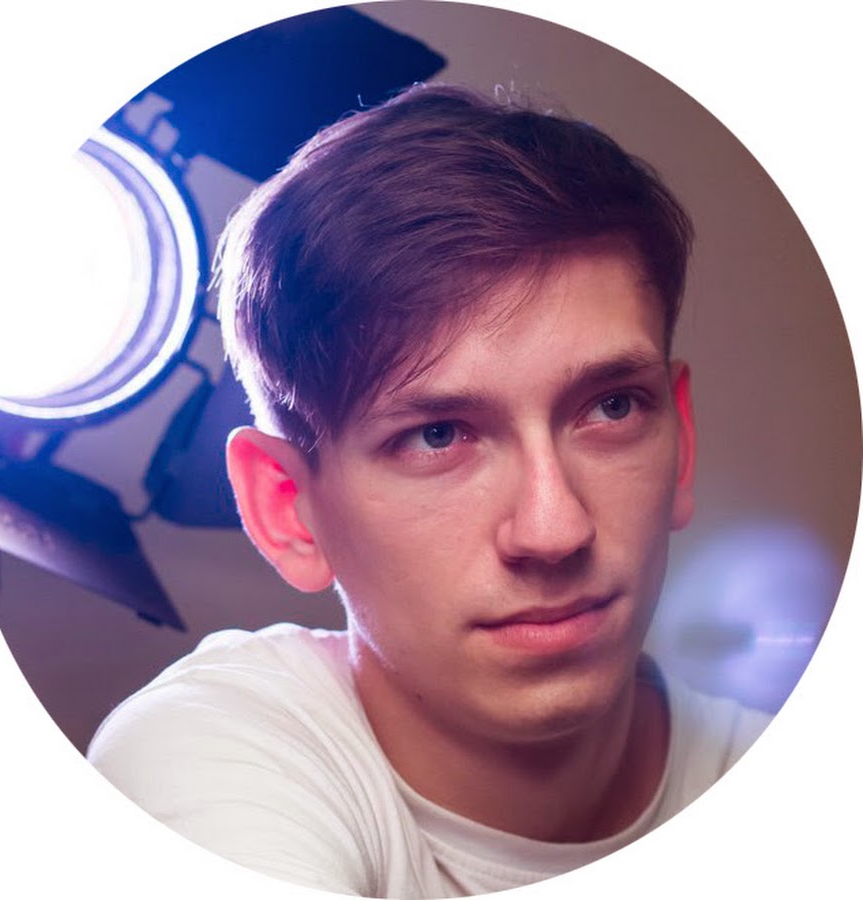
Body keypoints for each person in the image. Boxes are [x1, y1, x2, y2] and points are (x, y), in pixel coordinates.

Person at [88, 83, 771, 897]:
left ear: (681, 440)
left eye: (612, 407)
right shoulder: (209, 754)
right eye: (438, 435)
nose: (554, 528)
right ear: (287, 509)